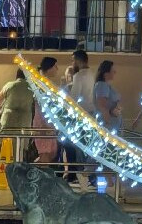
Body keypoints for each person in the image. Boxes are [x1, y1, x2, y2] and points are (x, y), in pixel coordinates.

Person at [63, 49, 95, 185]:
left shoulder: (79, 76)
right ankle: (90, 174)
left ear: (78, 60)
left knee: (77, 145)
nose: (72, 62)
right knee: (88, 145)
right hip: (92, 113)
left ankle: (80, 173)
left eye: (73, 60)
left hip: (80, 114)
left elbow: (74, 97)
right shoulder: (92, 74)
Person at [31, 57, 59, 166]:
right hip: (43, 121)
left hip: (48, 121)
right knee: (45, 153)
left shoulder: (45, 82)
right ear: (49, 67)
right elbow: (43, 104)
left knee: (51, 152)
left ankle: (33, 172)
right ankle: (36, 176)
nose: (57, 69)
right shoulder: (41, 83)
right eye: (55, 66)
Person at [93, 60, 122, 132]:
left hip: (112, 124)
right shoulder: (102, 85)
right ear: (106, 73)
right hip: (108, 126)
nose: (115, 72)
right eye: (113, 71)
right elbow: (102, 106)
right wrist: (108, 122)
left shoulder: (106, 85)